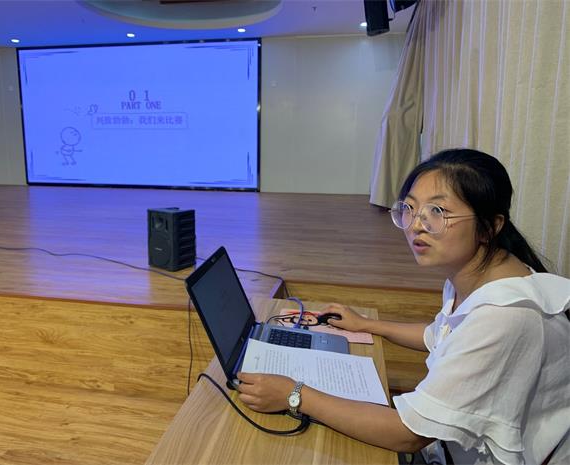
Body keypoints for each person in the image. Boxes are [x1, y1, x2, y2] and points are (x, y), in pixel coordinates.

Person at [237, 149, 570, 465]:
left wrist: (294, 394)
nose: (416, 225)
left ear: (490, 226)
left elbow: (408, 435)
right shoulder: (479, 274)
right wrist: (368, 325)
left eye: (437, 211)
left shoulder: (506, 316)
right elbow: (441, 335)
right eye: (410, 208)